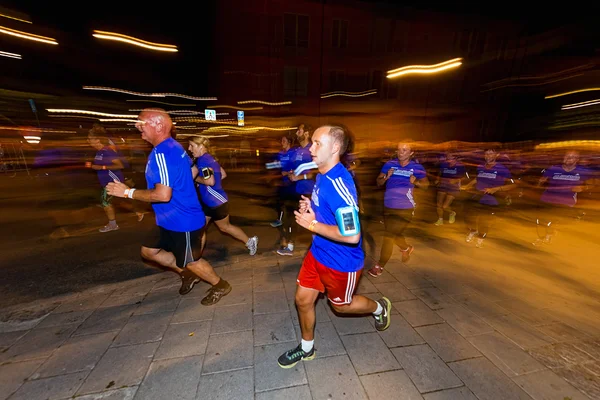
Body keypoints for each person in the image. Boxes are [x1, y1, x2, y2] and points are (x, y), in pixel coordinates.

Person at [277, 125, 392, 369]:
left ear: (336, 148)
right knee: (303, 300)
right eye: (313, 142)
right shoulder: (322, 174)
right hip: (317, 254)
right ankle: (306, 348)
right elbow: (328, 211)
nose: (311, 148)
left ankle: (379, 307)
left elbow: (351, 235)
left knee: (341, 306)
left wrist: (313, 224)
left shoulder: (340, 183)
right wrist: (313, 207)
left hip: (341, 262)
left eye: (318, 143)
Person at [107, 109, 231, 304]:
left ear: (158, 125)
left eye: (142, 123)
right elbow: (191, 170)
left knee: (192, 260)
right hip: (167, 219)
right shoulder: (174, 147)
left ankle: (220, 285)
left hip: (183, 221)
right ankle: (188, 274)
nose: (137, 127)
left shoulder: (163, 153)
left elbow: (163, 195)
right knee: (149, 252)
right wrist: (185, 186)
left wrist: (126, 192)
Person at [188, 136, 258, 255]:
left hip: (216, 202)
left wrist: (196, 179)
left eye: (192, 145)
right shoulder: (210, 158)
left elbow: (210, 181)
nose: (189, 149)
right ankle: (196, 257)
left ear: (201, 147)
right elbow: (223, 174)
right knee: (200, 229)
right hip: (209, 201)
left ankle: (250, 241)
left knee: (225, 227)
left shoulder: (203, 160)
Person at [367, 141, 429, 277]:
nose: (401, 152)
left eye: (405, 150)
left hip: (406, 208)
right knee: (394, 234)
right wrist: (385, 177)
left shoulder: (417, 167)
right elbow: (378, 182)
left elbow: (426, 185)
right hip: (388, 206)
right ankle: (406, 248)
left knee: (389, 236)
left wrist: (416, 182)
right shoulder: (389, 165)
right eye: (399, 149)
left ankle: (380, 265)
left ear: (411, 153)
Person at [533, 150, 592, 246]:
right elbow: (542, 180)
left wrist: (584, 188)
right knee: (542, 220)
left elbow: (594, 182)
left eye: (572, 157)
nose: (568, 158)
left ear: (577, 160)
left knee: (554, 219)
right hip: (547, 198)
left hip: (566, 200)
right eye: (566, 156)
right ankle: (550, 233)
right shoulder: (553, 169)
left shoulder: (583, 171)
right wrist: (538, 185)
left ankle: (547, 237)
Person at [461, 147, 515, 248]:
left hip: (491, 198)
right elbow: (477, 179)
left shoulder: (502, 169)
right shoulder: (481, 166)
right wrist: (467, 186)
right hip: (477, 195)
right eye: (486, 154)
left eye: (491, 153)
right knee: (468, 215)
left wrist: (496, 189)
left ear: (497, 155)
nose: (488, 156)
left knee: (484, 220)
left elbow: (513, 185)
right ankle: (473, 230)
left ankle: (480, 238)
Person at [278, 123, 316, 256]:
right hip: (297, 190)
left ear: (306, 133)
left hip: (310, 191)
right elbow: (296, 168)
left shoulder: (313, 149)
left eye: (299, 130)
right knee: (293, 218)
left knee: (312, 220)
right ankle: (290, 245)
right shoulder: (298, 150)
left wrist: (299, 177)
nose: (297, 133)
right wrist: (290, 173)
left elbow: (316, 171)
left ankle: (318, 247)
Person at [85, 126, 125, 233]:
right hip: (106, 181)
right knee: (119, 201)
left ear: (97, 139)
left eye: (90, 139)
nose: (88, 141)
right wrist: (93, 166)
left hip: (113, 181)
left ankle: (113, 225)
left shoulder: (107, 151)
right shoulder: (99, 152)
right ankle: (139, 210)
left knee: (106, 203)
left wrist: (101, 167)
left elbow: (120, 165)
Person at [270, 133, 296, 228]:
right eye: (281, 141)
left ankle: (291, 225)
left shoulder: (293, 153)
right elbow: (277, 165)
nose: (282, 143)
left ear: (289, 142)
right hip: (282, 182)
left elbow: (297, 167)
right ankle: (279, 219)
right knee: (278, 202)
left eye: (284, 141)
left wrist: (288, 172)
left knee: (289, 205)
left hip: (291, 182)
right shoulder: (280, 153)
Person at [433, 152, 466, 226]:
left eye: (451, 158)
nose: (449, 160)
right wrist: (438, 179)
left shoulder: (460, 166)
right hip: (443, 185)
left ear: (456, 158)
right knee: (439, 204)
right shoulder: (444, 164)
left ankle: (452, 213)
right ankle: (440, 219)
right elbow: (440, 172)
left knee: (445, 206)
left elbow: (464, 177)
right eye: (448, 158)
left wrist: (456, 180)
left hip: (453, 187)